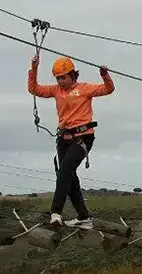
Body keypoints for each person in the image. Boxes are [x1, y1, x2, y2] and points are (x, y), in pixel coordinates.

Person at [28, 55, 114, 228]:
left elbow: (108, 89)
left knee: (65, 170)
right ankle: (83, 217)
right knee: (69, 176)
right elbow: (34, 89)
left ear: (72, 75)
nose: (60, 81)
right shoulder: (56, 91)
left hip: (83, 137)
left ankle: (56, 212)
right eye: (58, 78)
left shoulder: (85, 88)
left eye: (63, 77)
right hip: (63, 138)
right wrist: (34, 68)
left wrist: (104, 74)